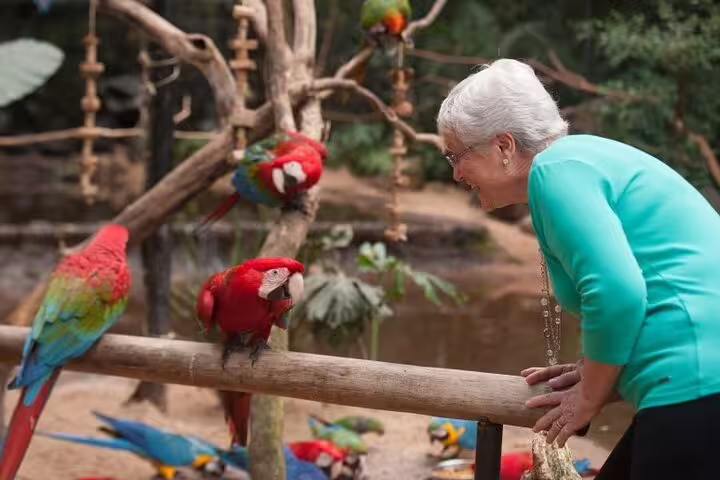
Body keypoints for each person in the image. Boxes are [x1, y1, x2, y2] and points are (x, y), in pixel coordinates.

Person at [436, 58, 720, 480]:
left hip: (697, 376)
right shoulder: (577, 162)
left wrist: (590, 394)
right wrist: (593, 367)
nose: (456, 173)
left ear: (504, 147)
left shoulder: (556, 171)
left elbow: (617, 292)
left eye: (456, 156)